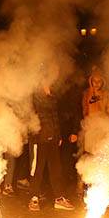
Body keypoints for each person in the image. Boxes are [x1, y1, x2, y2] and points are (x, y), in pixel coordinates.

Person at [28, 83, 76, 211]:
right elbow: (35, 115)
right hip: (39, 138)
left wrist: (58, 135)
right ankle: (34, 198)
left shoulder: (51, 94)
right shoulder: (36, 95)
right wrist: (35, 137)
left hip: (53, 138)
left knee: (56, 169)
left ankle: (59, 198)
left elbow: (55, 117)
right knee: (37, 169)